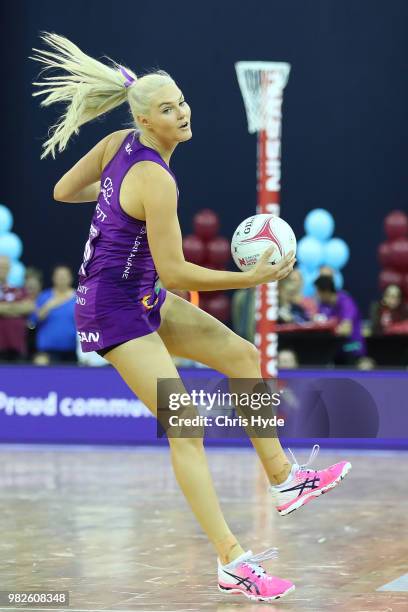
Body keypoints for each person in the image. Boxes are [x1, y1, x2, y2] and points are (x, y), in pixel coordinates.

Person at [32, 33, 351, 602]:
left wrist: (112, 198)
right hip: (114, 312)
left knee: (239, 355)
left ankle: (283, 479)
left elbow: (62, 191)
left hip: (141, 293)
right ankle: (233, 561)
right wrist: (250, 280)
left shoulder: (117, 147)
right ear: (144, 121)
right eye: (166, 108)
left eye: (180, 101)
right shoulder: (155, 177)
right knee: (186, 428)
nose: (181, 112)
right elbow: (178, 273)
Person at [314, 275, 366, 365]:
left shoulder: (346, 301)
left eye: (318, 292)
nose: (316, 295)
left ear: (326, 292)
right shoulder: (323, 305)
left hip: (352, 347)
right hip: (336, 351)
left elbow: (346, 330)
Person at [33, 265, 77, 363]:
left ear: (71, 278)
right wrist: (49, 306)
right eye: (59, 276)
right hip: (47, 351)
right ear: (53, 278)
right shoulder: (44, 296)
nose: (62, 278)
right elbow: (35, 320)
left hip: (73, 350)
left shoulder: (79, 298)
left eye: (65, 276)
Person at [0, 255, 35, 361]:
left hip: (17, 345)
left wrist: (5, 309)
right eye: (1, 266)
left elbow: (30, 306)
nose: (3, 270)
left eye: (6, 267)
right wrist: (17, 309)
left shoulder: (16, 289)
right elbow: (23, 307)